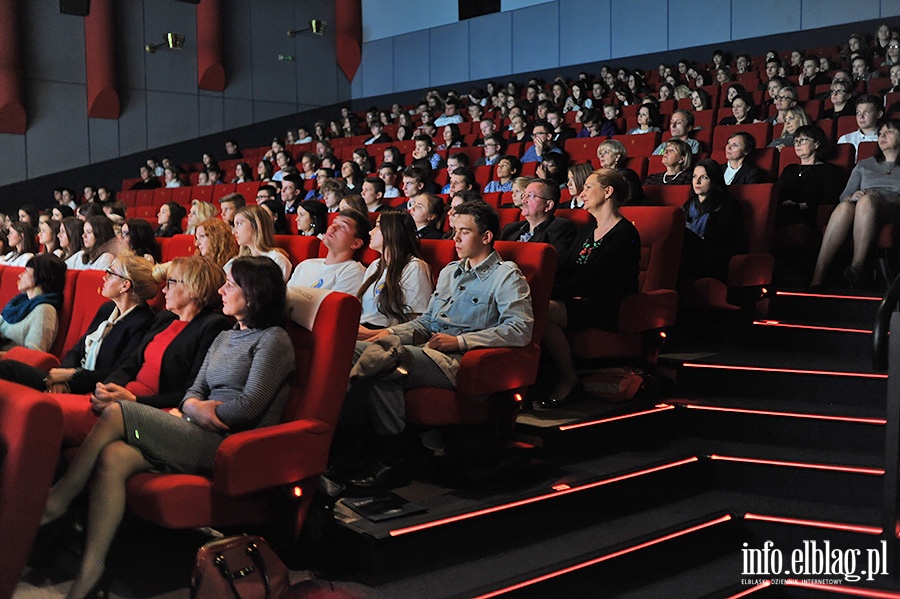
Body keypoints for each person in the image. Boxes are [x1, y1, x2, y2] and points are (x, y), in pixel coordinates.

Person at [38, 257, 292, 599]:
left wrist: (201, 411)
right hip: (194, 428)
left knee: (118, 413)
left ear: (255, 293)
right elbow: (192, 392)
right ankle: (91, 572)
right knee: (114, 456)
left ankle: (59, 500)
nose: (222, 290)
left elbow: (247, 408)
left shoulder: (274, 340)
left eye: (230, 285)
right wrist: (198, 409)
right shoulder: (227, 336)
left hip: (227, 447)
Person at [346, 201, 533, 489]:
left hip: (460, 361)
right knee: (355, 352)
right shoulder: (449, 272)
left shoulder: (506, 275)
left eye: (464, 232)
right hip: (426, 353)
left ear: (486, 237)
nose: (455, 239)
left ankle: (390, 457)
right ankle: (370, 451)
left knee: (386, 358)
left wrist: (460, 340)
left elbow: (520, 329)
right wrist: (382, 334)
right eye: (454, 231)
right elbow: (425, 323)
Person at [539, 169, 640, 409]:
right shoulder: (588, 230)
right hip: (580, 299)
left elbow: (594, 281)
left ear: (608, 192)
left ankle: (567, 378)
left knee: (541, 310)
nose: (582, 194)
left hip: (605, 306)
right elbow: (566, 268)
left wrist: (545, 293)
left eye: (588, 188)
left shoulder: (625, 233)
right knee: (537, 309)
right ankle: (548, 379)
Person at [0, 251, 156, 393]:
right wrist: (61, 377)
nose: (104, 277)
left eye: (110, 274)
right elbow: (77, 349)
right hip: (66, 377)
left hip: (91, 387)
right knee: (7, 368)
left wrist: (70, 377)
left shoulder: (142, 321)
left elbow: (118, 371)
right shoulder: (107, 309)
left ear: (125, 285)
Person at [810, 119, 900, 287]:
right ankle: (818, 274)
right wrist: (852, 197)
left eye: (889, 132)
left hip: (892, 209)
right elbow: (844, 195)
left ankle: (857, 265)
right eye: (880, 133)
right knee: (844, 207)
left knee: (867, 200)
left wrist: (883, 198)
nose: (883, 136)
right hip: (862, 205)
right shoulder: (865, 164)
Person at [357, 210, 434, 337]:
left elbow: (416, 324)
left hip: (385, 335)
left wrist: (372, 334)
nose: (371, 232)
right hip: (362, 329)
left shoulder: (415, 267)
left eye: (377, 226)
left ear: (392, 231)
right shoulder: (374, 266)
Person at [680, 159, 748, 282]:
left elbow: (721, 241)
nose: (697, 181)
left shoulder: (728, 205)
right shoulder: (688, 204)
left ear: (714, 180)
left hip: (713, 258)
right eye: (695, 176)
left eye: (704, 177)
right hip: (689, 253)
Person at [775, 125, 847, 230]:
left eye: (803, 140)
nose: (797, 144)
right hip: (784, 209)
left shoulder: (829, 170)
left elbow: (830, 198)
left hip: (809, 213)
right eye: (796, 141)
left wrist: (800, 205)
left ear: (816, 144)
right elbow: (777, 191)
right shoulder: (790, 169)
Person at [287, 210, 368, 294]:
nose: (332, 227)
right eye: (334, 223)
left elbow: (336, 306)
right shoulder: (306, 264)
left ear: (355, 243)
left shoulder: (353, 271)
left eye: (343, 227)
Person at [0, 253, 67, 352]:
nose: (20, 275)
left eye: (26, 271)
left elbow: (33, 356)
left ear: (41, 276)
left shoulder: (44, 310)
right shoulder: (19, 301)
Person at [499, 178, 577, 256]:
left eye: (530, 196)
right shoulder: (510, 229)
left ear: (548, 205)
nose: (523, 201)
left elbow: (551, 263)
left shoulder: (561, 229)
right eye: (524, 195)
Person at [229, 205, 292, 282]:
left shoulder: (276, 259)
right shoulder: (238, 259)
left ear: (257, 225)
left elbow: (274, 292)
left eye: (239, 224)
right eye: (234, 225)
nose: (234, 231)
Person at [597, 139, 647, 204]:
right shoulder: (598, 175)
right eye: (600, 153)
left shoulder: (627, 175)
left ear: (617, 157)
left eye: (606, 152)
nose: (601, 156)